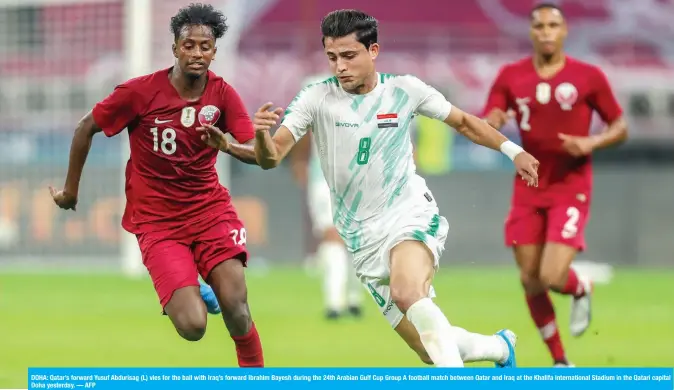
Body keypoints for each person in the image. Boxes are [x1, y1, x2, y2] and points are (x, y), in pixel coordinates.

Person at [203, 9, 539, 368]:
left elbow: (464, 122)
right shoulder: (316, 98)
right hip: (361, 237)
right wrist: (252, 138)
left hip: (408, 214)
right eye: (332, 57)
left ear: (373, 51)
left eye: (349, 56)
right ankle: (500, 348)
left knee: (408, 292)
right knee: (428, 349)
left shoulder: (405, 90)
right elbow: (271, 157)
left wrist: (513, 150)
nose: (340, 67)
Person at [49, 3, 264, 367]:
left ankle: (255, 378)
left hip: (210, 212)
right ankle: (200, 291)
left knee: (237, 307)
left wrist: (229, 144)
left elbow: (257, 155)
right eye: (189, 45)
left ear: (214, 51)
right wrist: (71, 190)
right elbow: (86, 126)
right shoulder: (140, 92)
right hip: (159, 223)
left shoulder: (224, 94)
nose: (197, 53)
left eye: (205, 46)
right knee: (193, 326)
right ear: (175, 48)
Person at [482, 3, 628, 367]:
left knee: (551, 275)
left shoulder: (588, 76)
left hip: (570, 183)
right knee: (530, 279)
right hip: (528, 182)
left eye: (553, 25)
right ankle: (561, 361)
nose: (546, 31)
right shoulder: (510, 76)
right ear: (531, 32)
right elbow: (493, 113)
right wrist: (494, 119)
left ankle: (581, 286)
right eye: (539, 25)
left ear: (564, 31)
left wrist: (590, 143)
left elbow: (620, 125)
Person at [289, 75, 363, 319]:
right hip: (323, 183)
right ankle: (335, 303)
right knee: (333, 235)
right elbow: (301, 140)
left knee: (352, 239)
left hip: (354, 182)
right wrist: (299, 164)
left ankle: (352, 299)